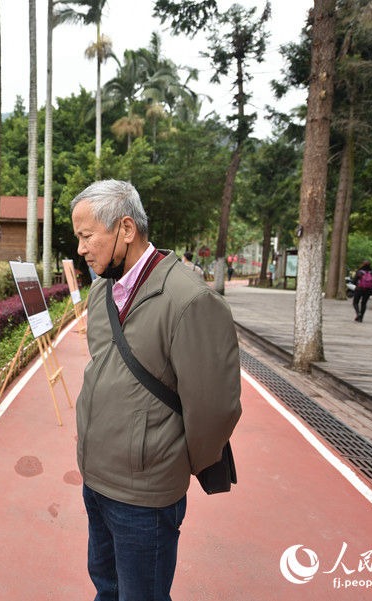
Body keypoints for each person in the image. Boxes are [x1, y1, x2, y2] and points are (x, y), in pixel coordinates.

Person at [70, 180, 242, 601]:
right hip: (96, 480)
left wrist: (166, 461)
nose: (81, 249)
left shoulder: (189, 300)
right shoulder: (100, 291)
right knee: (106, 586)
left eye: (87, 236)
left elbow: (216, 408)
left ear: (126, 229)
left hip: (145, 497)